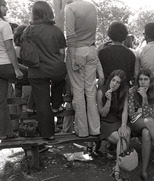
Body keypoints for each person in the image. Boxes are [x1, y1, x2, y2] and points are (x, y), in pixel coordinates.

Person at [27, 1, 66, 140]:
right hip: (56, 69)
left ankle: (48, 134)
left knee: (42, 103)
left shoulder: (29, 30)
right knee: (60, 80)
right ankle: (56, 104)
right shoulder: (57, 31)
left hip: (36, 71)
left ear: (35, 13)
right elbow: (62, 53)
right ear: (49, 12)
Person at [65, 0, 104, 137]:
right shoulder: (92, 6)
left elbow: (70, 36)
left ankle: (82, 131)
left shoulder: (70, 8)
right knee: (91, 92)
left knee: (78, 92)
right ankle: (95, 128)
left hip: (77, 51)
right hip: (91, 50)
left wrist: (73, 57)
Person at [97, 70, 131, 181]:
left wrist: (123, 125)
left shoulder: (124, 92)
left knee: (125, 135)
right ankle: (119, 170)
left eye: (118, 82)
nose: (114, 84)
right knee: (122, 141)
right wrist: (108, 100)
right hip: (105, 122)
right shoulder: (101, 91)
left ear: (121, 84)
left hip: (119, 121)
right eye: (113, 80)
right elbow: (102, 113)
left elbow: (125, 111)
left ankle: (118, 169)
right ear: (110, 80)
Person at [0, 0, 23, 139]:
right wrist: (17, 70)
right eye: (3, 5)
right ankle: (31, 121)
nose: (7, 8)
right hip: (5, 66)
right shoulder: (4, 25)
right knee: (34, 76)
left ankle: (6, 133)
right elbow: (9, 48)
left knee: (1, 102)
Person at [98, 21, 136, 86]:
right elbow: (132, 75)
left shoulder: (102, 52)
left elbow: (100, 75)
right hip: (124, 89)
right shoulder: (131, 54)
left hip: (108, 87)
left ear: (110, 35)